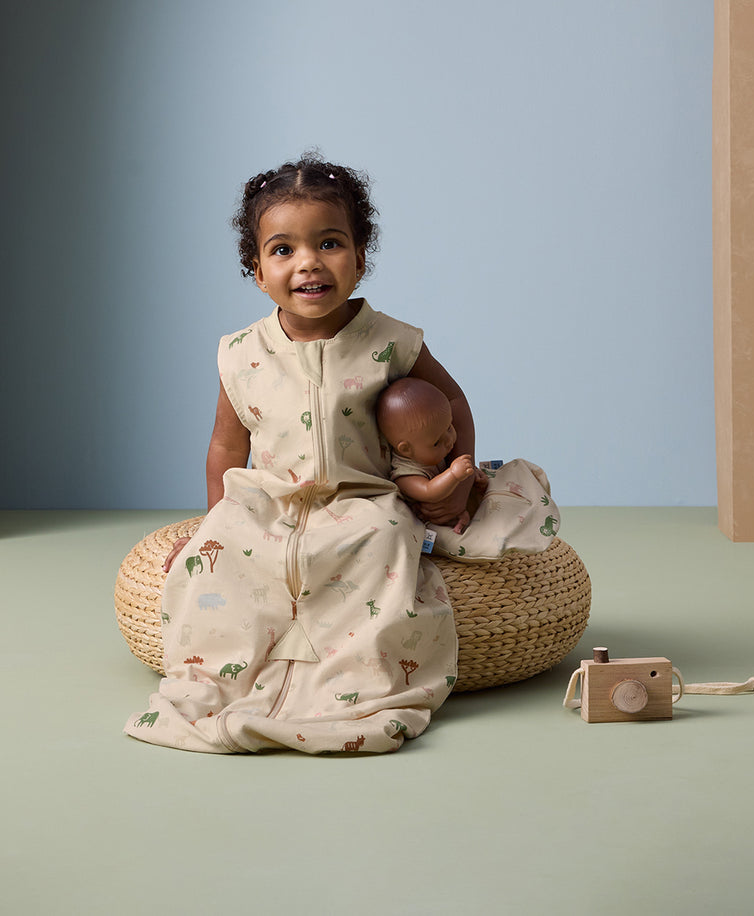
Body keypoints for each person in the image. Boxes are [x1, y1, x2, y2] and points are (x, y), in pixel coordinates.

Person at [125, 154, 478, 755]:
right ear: (257, 271)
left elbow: (451, 402)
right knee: (224, 556)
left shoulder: (390, 341)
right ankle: (231, 676)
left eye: (330, 243)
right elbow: (227, 444)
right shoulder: (240, 353)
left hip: (362, 499)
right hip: (269, 500)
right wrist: (214, 522)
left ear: (360, 259)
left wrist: (453, 481)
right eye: (282, 249)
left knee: (386, 537)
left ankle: (352, 683)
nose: (308, 261)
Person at [376, 377, 488, 534]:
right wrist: (454, 474)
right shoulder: (405, 475)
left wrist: (471, 477)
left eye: (449, 427)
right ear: (406, 449)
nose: (449, 441)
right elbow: (429, 491)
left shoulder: (429, 451)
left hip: (454, 505)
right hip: (431, 522)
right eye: (437, 442)